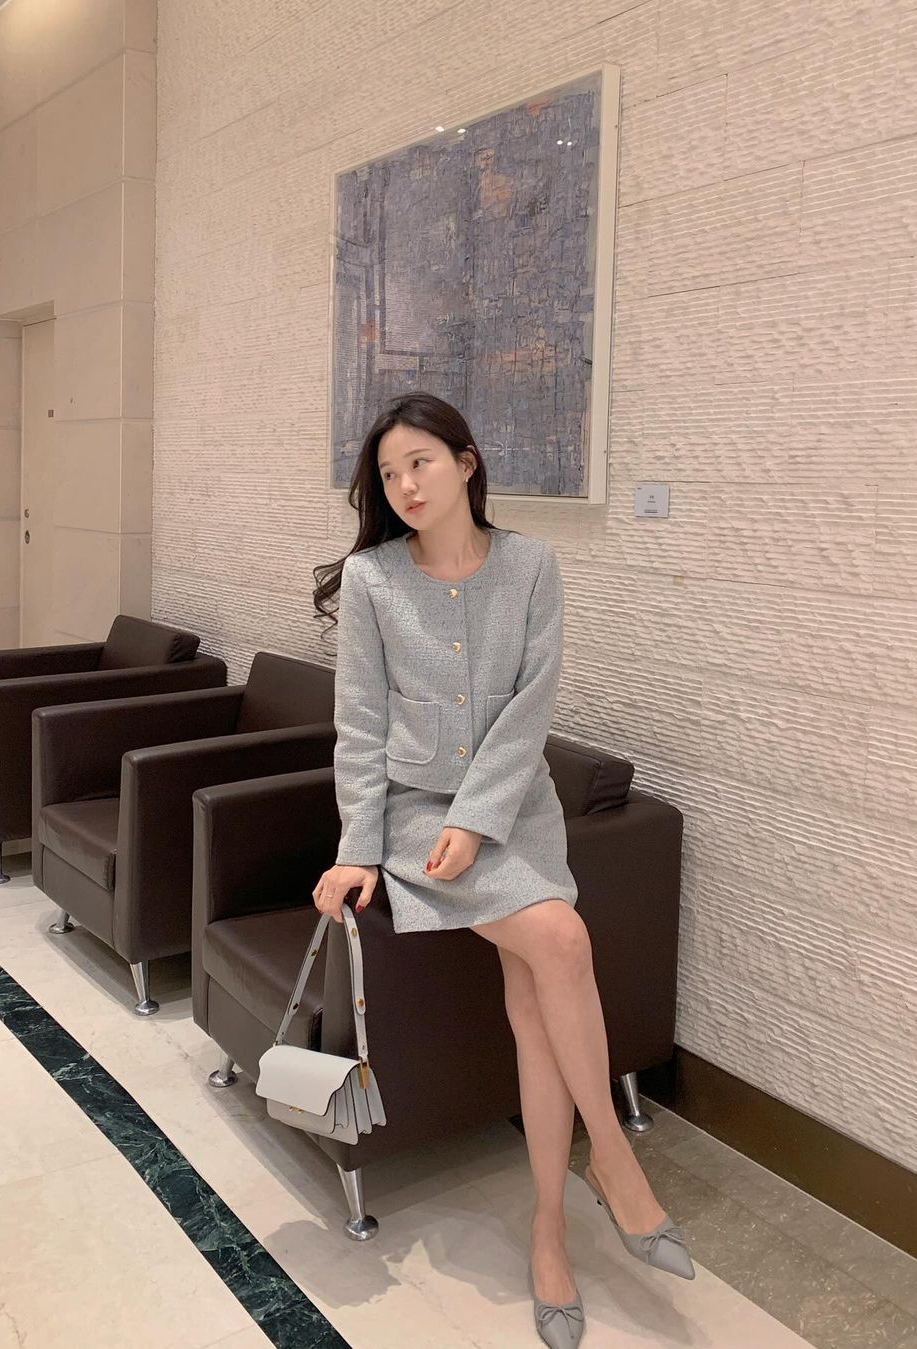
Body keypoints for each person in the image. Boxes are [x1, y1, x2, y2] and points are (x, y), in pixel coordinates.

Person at [312, 393, 694, 1348]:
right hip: (417, 820)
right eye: (389, 472)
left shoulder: (530, 565)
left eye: (420, 462)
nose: (405, 485)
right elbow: (359, 722)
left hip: (515, 809)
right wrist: (358, 843)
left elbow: (532, 705)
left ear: (467, 462)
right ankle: (613, 1160)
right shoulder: (371, 578)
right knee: (559, 936)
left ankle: (549, 1229)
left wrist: (481, 820)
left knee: (535, 997)